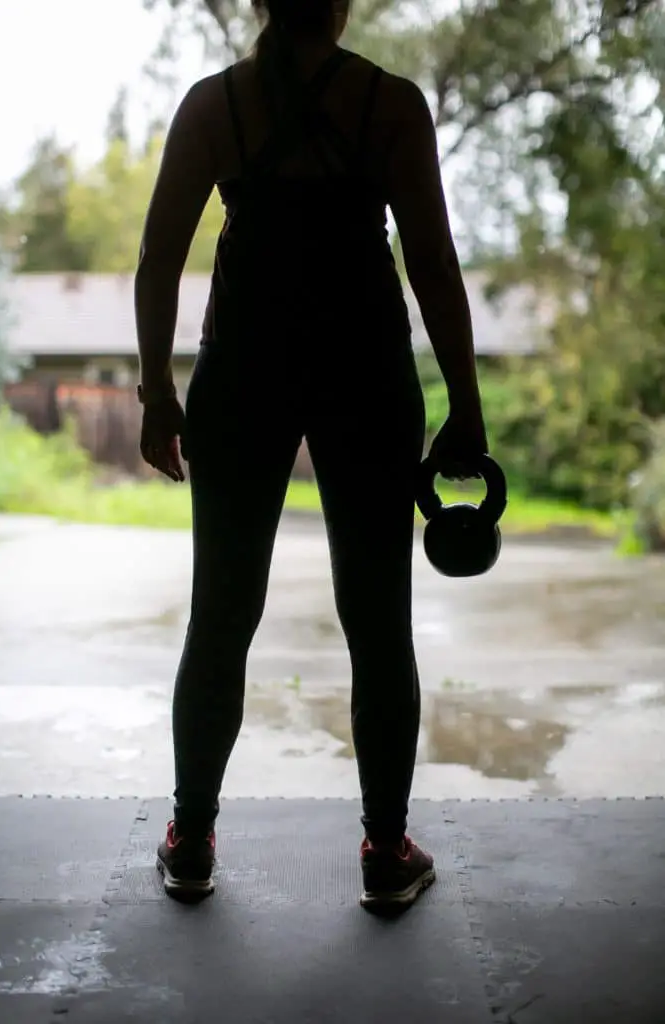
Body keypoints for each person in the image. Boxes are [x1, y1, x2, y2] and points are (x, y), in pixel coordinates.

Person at [135, 0, 488, 912]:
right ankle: (383, 849)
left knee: (220, 613)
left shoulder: (214, 107)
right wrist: (465, 405)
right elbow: (433, 265)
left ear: (259, 1)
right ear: (340, 5)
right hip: (365, 372)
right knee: (378, 624)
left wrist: (157, 393)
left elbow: (157, 260)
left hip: (242, 372)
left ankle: (192, 840)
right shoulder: (391, 104)